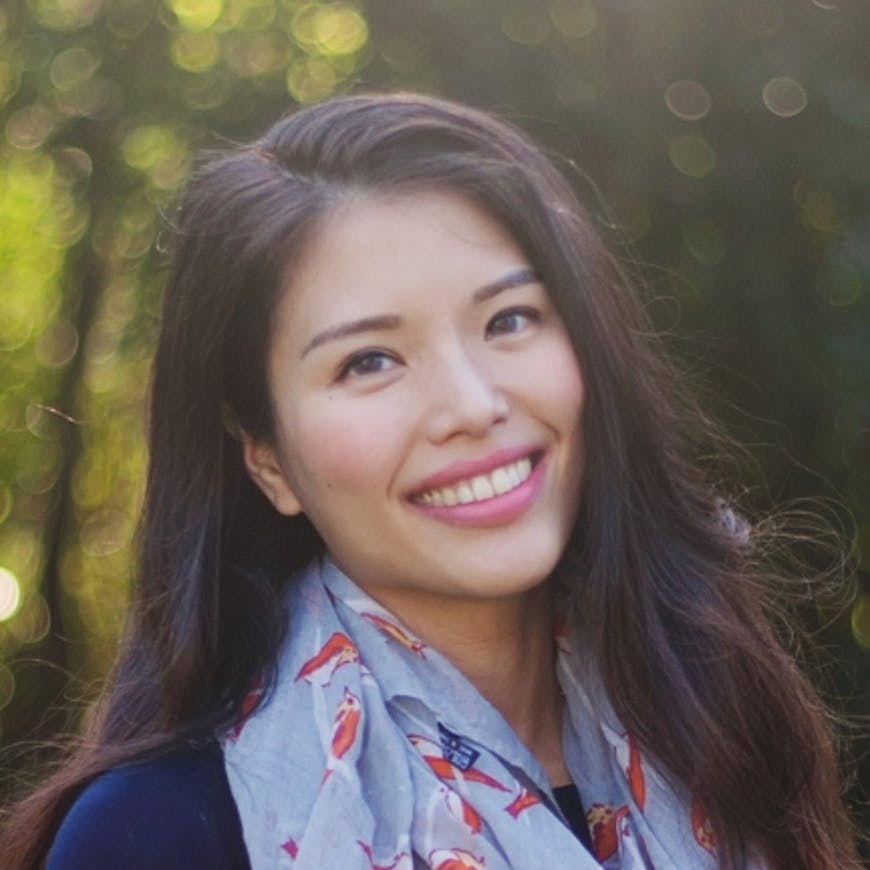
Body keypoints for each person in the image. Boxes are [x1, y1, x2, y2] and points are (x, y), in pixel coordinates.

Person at [0, 93, 860, 870]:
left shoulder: (716, 726)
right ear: (264, 455)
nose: (472, 404)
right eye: (369, 361)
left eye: (508, 319)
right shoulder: (163, 835)